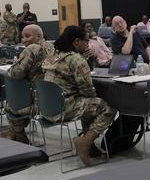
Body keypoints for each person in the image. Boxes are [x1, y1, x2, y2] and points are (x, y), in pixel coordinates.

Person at [42, 26, 117, 166]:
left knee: (89, 105)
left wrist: (85, 60)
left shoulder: (53, 55)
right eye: (86, 41)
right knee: (108, 107)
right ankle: (85, 142)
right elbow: (87, 90)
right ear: (76, 41)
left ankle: (91, 146)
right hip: (64, 108)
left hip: (48, 108)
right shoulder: (76, 59)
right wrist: (84, 62)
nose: (88, 45)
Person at [3, 24, 54, 143]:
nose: (24, 40)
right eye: (22, 37)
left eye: (28, 36)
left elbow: (15, 73)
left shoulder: (32, 49)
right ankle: (15, 133)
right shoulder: (50, 46)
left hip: (36, 101)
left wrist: (14, 65)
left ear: (38, 36)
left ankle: (19, 133)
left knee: (8, 102)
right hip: (51, 96)